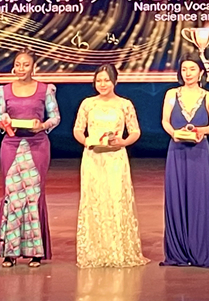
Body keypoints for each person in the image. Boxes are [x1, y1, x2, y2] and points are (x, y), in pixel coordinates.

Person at [72, 64, 149, 268]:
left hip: (115, 157)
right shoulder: (87, 104)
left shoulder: (125, 104)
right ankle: (95, 252)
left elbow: (135, 131)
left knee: (115, 200)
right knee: (94, 200)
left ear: (115, 81)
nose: (103, 84)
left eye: (106, 80)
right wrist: (86, 141)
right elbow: (78, 129)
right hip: (93, 157)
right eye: (99, 80)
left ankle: (117, 251)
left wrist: (123, 142)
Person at [0, 49, 59, 267]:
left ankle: (35, 251)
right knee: (12, 196)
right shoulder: (4, 90)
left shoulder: (45, 89)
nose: (21, 68)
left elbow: (55, 116)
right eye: (18, 64)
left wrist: (43, 125)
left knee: (33, 196)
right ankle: (9, 251)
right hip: (11, 146)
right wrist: (3, 122)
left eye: (26, 64)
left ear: (33, 67)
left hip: (37, 145)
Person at [160, 53, 209, 268]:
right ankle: (178, 251)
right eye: (184, 69)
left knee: (198, 197)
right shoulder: (171, 94)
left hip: (199, 152)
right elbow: (165, 121)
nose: (188, 73)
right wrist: (174, 133)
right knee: (176, 197)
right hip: (176, 150)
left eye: (192, 69)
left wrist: (201, 130)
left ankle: (199, 250)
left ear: (201, 72)